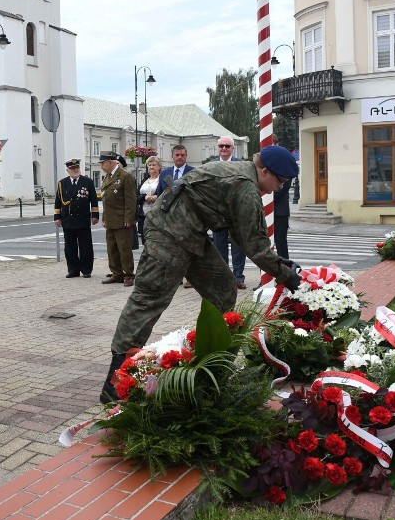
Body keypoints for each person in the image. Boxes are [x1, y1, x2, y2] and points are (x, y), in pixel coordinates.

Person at [100, 146, 303, 402]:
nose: (280, 188)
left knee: (223, 290)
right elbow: (254, 246)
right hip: (168, 233)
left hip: (191, 234)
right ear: (264, 170)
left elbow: (247, 235)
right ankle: (115, 382)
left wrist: (281, 264)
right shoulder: (246, 187)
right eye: (280, 181)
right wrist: (285, 274)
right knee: (149, 298)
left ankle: (207, 365)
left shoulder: (244, 177)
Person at [211, 137, 248, 289]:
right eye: (221, 146)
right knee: (219, 246)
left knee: (238, 245)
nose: (224, 148)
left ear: (233, 148)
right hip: (218, 211)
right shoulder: (211, 165)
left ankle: (238, 277)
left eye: (227, 146)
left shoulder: (241, 165)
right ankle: (224, 278)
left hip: (236, 211)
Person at [54, 158, 99, 278]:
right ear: (67, 170)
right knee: (70, 247)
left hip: (83, 218)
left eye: (77, 167)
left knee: (85, 246)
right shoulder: (62, 183)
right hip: (68, 219)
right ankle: (73, 270)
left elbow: (93, 200)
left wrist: (95, 215)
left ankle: (86, 270)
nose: (76, 170)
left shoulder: (87, 182)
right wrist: (57, 217)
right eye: (73, 168)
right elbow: (58, 202)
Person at [159, 144, 196, 288]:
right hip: (169, 218)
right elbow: (160, 194)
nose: (179, 157)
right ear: (172, 157)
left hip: (187, 218)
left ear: (186, 156)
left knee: (188, 249)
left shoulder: (193, 172)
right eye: (177, 155)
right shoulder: (165, 173)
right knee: (170, 249)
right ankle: (175, 277)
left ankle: (191, 278)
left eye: (182, 155)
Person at [98, 151, 137, 287]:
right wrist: (104, 218)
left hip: (122, 220)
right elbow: (105, 200)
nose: (102, 166)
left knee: (124, 249)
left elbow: (131, 200)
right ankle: (117, 274)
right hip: (110, 220)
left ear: (111, 162)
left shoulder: (125, 176)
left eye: (103, 163)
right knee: (112, 249)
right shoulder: (107, 177)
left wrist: (129, 219)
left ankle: (129, 275)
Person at [136, 155, 162, 244]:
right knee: (145, 242)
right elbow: (136, 197)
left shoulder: (163, 179)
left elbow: (170, 193)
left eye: (154, 165)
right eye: (149, 165)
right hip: (144, 216)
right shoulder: (144, 180)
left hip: (158, 217)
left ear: (159, 166)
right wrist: (144, 197)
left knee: (156, 242)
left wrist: (157, 197)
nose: (151, 167)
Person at [274, 175, 292, 260]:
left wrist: (267, 199)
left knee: (281, 243)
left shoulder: (285, 168)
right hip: (266, 211)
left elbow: (283, 188)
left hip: (280, 212)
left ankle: (285, 267)